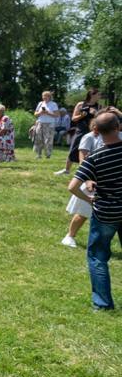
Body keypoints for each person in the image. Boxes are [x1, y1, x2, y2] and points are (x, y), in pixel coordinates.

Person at [69, 111, 122, 310]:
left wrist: (89, 199)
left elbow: (73, 186)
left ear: (96, 131)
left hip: (106, 213)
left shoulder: (95, 158)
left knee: (98, 257)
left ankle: (102, 303)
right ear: (118, 127)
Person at [62, 121, 102, 248]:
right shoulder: (89, 137)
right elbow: (83, 160)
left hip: (107, 180)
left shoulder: (115, 137)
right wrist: (87, 179)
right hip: (91, 179)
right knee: (84, 212)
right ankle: (69, 236)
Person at [58, 88, 101, 176]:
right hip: (81, 131)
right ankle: (66, 170)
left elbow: (101, 119)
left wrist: (96, 113)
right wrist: (82, 115)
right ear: (92, 95)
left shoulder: (99, 106)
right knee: (73, 149)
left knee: (93, 152)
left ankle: (89, 172)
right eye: (98, 94)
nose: (100, 96)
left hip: (93, 132)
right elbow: (73, 118)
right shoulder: (81, 104)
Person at [32, 91, 60, 159]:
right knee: (38, 139)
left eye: (46, 96)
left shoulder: (53, 104)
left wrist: (48, 113)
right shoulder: (40, 103)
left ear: (49, 97)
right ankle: (38, 154)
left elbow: (57, 115)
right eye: (43, 96)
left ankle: (48, 154)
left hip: (49, 124)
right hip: (40, 123)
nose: (44, 97)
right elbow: (35, 114)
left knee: (48, 140)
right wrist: (40, 112)